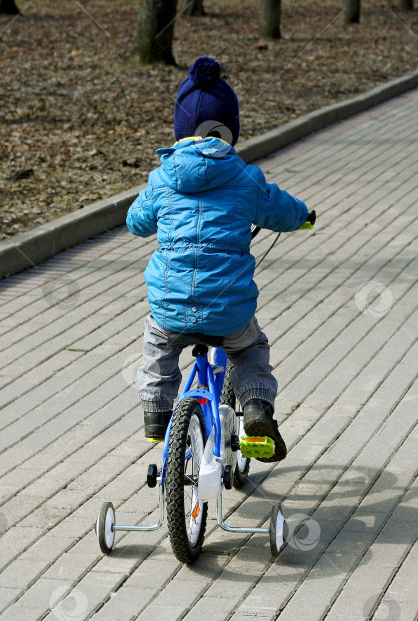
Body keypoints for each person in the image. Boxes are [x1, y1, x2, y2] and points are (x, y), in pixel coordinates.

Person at [126, 57, 310, 462]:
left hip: (170, 308)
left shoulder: (162, 178)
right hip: (228, 311)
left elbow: (136, 222)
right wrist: (304, 216)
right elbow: (280, 209)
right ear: (230, 130)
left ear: (178, 129)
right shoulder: (245, 178)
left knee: (157, 343)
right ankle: (257, 408)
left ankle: (156, 412)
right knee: (251, 349)